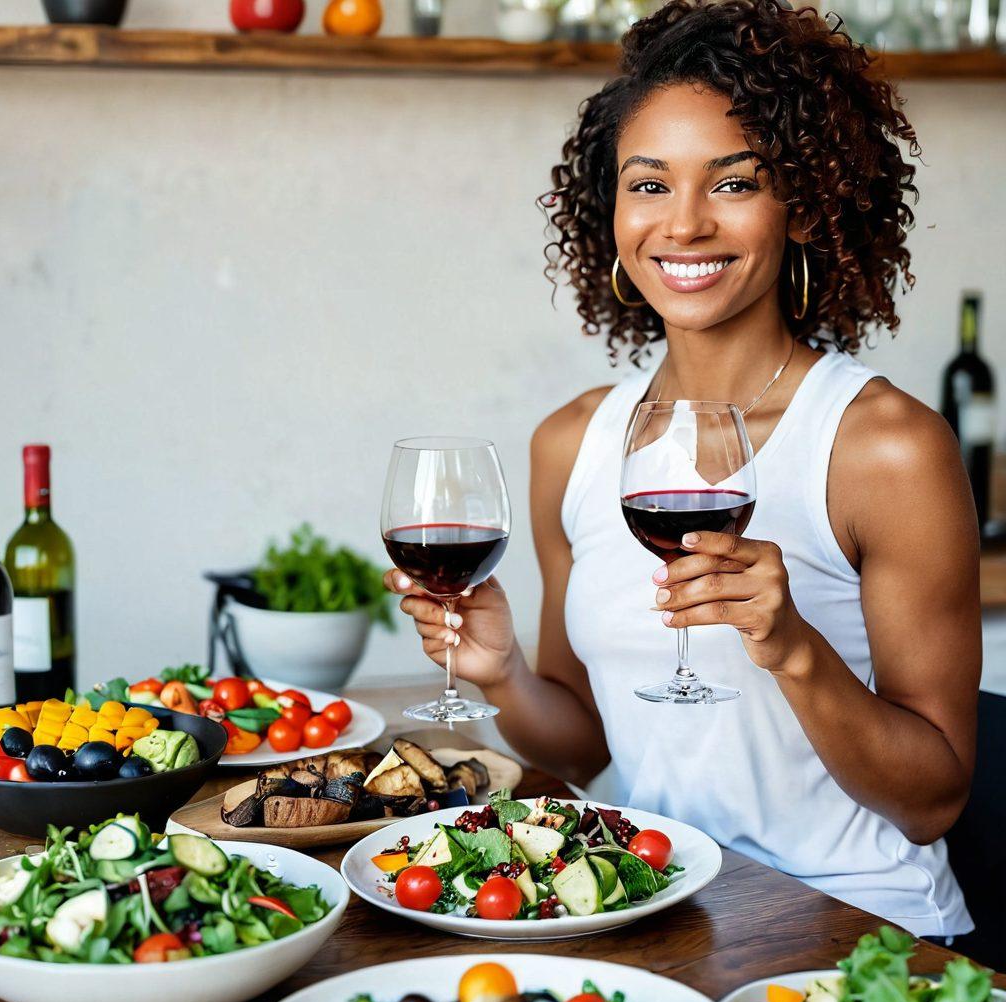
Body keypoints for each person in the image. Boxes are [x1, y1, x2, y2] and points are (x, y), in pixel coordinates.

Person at [385, 0, 979, 938]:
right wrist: (501, 678)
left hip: (863, 932)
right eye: (650, 185)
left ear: (806, 203)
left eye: (735, 183)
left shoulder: (884, 447)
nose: (686, 225)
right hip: (668, 920)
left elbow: (934, 801)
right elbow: (582, 745)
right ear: (611, 211)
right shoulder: (571, 444)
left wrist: (793, 652)